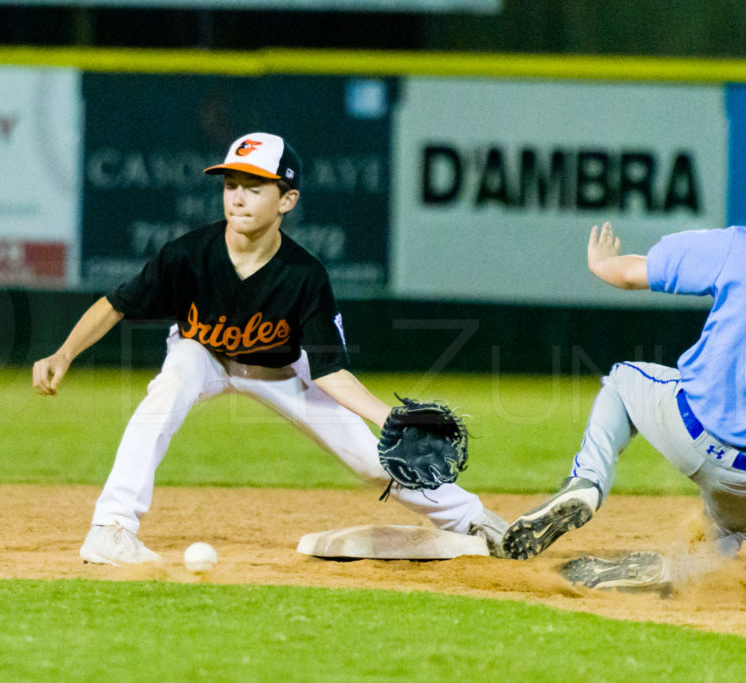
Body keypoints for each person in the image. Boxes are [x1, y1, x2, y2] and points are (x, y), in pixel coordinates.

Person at [32, 132, 507, 564]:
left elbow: (329, 372)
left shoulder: (304, 276)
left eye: (254, 187)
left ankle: (475, 522)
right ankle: (111, 528)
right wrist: (64, 353)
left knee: (371, 458)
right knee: (165, 393)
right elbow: (115, 304)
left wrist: (388, 418)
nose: (237, 197)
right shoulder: (188, 254)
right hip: (203, 354)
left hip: (283, 371)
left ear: (287, 199)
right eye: (230, 184)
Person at [502, 147, 746, 586]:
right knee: (728, 537)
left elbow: (635, 274)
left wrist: (603, 264)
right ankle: (677, 572)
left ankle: (588, 482)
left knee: (620, 382)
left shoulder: (744, 246)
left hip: (688, 426)